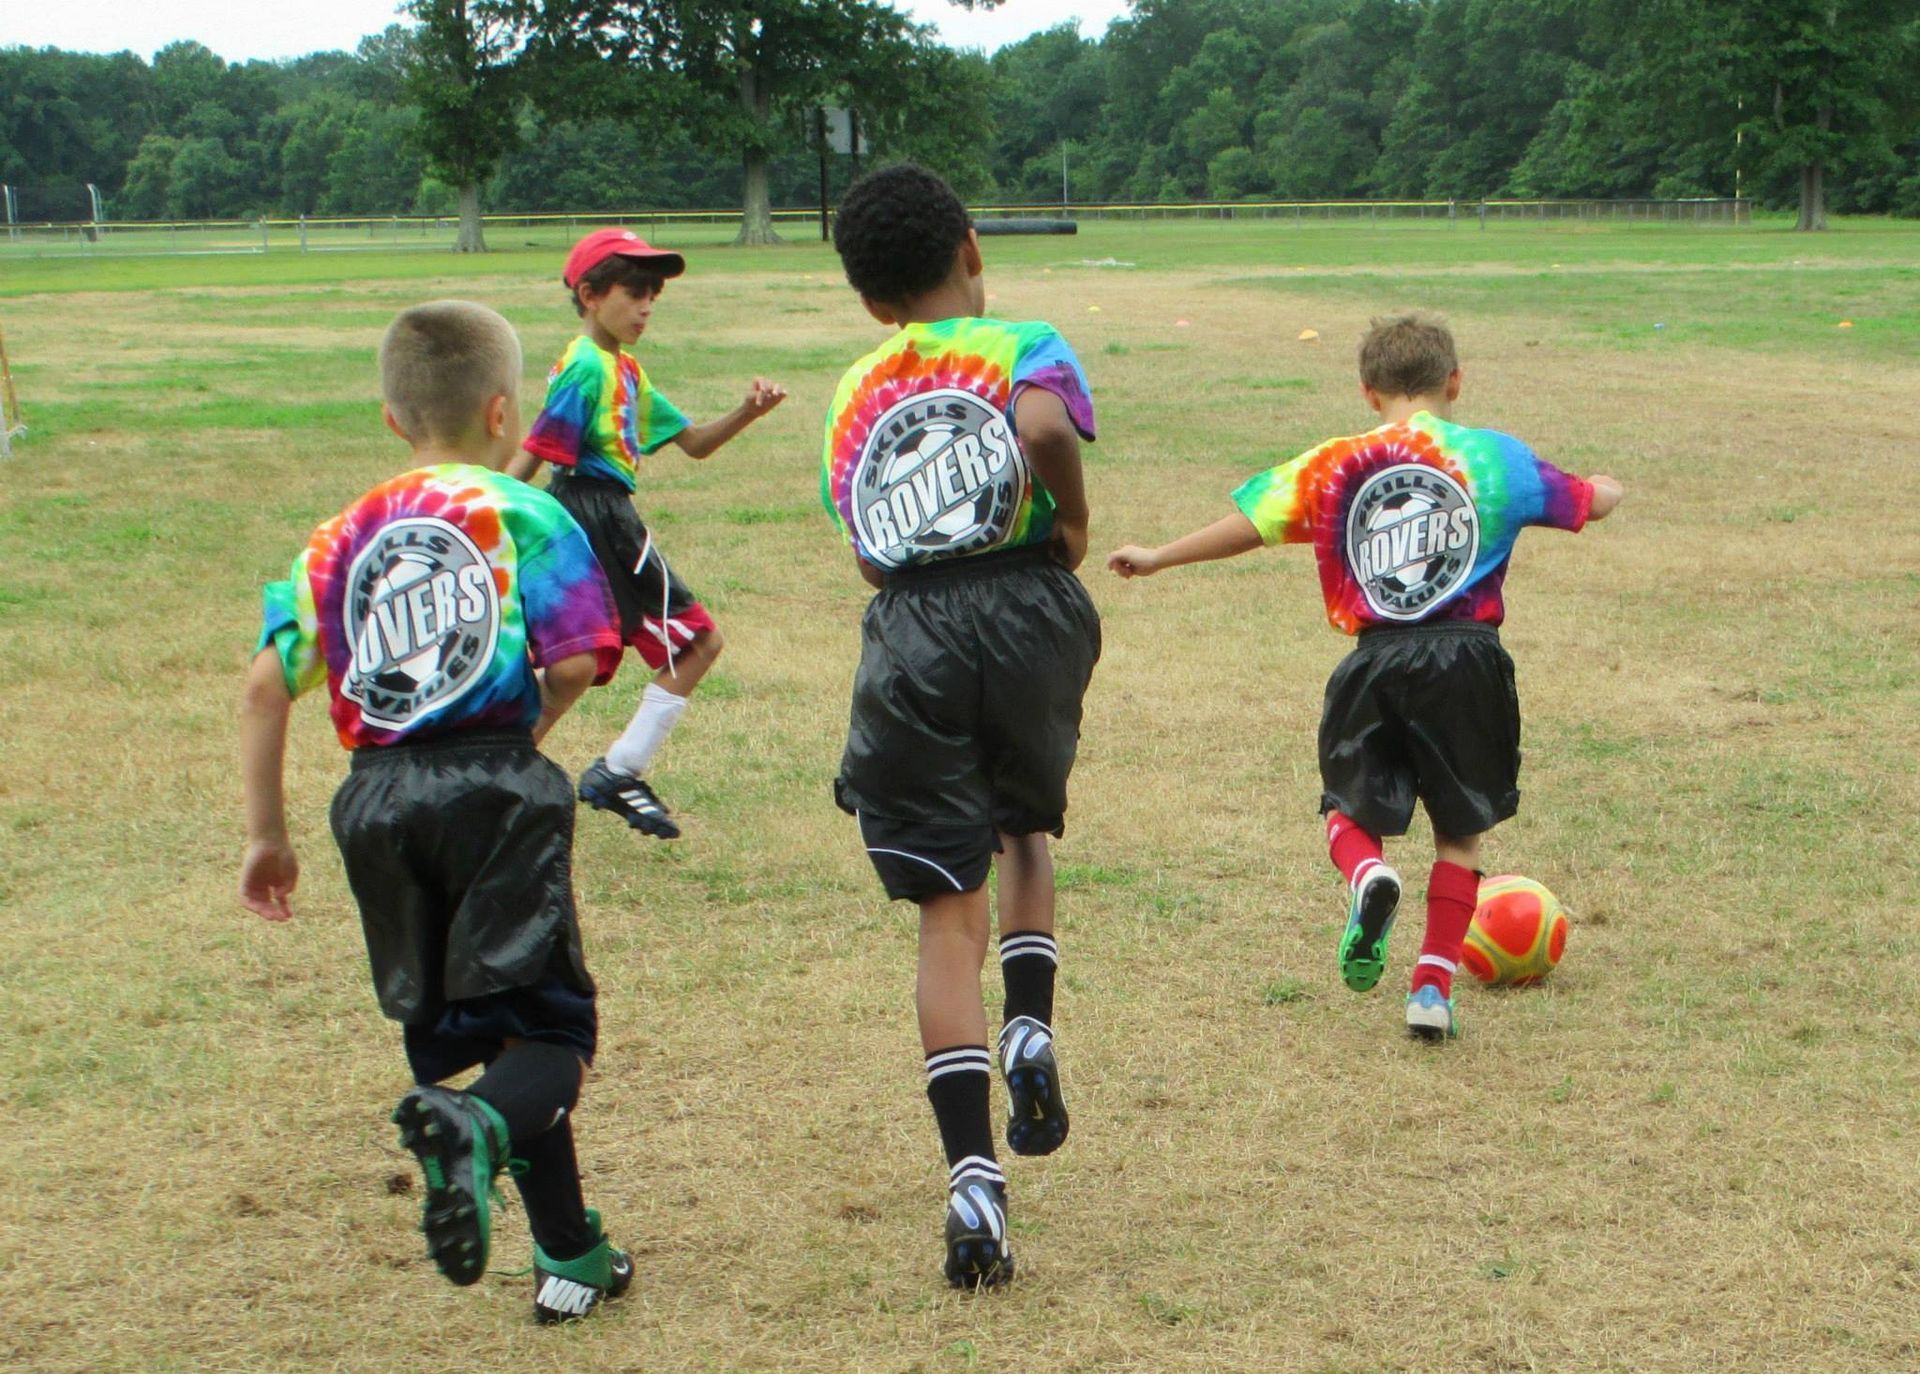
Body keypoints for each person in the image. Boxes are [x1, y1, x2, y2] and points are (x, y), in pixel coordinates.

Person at [237, 300, 635, 1323]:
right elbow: (584, 659)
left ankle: (571, 1253)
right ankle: (475, 1132)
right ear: (505, 412)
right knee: (551, 1034)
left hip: (373, 804)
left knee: (495, 1034)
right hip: (492, 783)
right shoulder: (523, 512)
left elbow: (262, 689)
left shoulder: (334, 542)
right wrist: (521, 743)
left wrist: (268, 840)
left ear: (391, 419)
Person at [1107, 311, 1623, 1041]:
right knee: (1460, 831)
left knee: (1347, 809)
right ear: (1454, 382)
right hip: (1467, 657)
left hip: (1374, 658)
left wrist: (1161, 554)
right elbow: (1587, 503)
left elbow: (1250, 526)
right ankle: (1431, 989)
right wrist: (1608, 487)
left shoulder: (1336, 463)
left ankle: (1367, 877)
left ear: (1367, 391)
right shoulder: (1494, 459)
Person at [822, 164, 1101, 1288]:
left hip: (913, 632)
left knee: (947, 913)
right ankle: (1030, 1026)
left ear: (868, 300)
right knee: (1024, 828)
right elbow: (1039, 424)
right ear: (972, 249)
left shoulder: (853, 392)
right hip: (1029, 602)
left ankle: (974, 1184)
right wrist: (1071, 517)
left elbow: (863, 546)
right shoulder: (1025, 340)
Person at [509, 228, 787, 840]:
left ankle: (505, 777)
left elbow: (694, 445)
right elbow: (539, 449)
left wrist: (748, 411)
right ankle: (613, 770)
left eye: (652, 295)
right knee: (696, 644)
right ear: (589, 293)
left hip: (603, 514)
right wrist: (484, 513)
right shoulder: (585, 367)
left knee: (575, 662)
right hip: (596, 516)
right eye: (634, 293)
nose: (646, 307)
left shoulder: (624, 369)